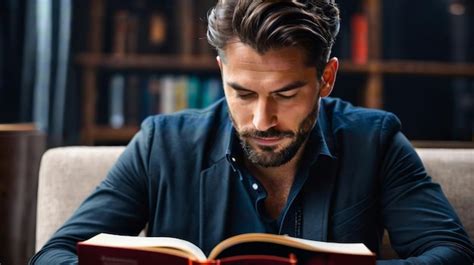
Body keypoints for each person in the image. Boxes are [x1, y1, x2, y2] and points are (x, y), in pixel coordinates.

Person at [31, 0, 473, 264]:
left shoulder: (374, 140)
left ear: (326, 78)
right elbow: (54, 255)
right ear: (221, 71)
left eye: (286, 94)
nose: (262, 121)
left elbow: (454, 254)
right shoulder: (161, 143)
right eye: (242, 93)